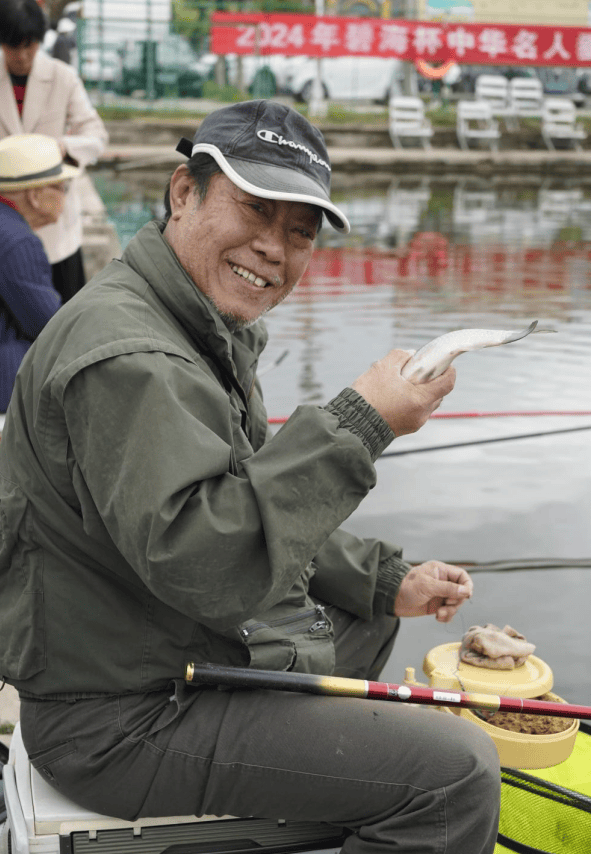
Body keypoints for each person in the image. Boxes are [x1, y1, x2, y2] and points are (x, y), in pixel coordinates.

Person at [0, 101, 500, 853]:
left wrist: (380, 577)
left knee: (367, 613)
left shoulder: (193, 320)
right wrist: (361, 423)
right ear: (182, 193)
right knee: (456, 774)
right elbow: (207, 562)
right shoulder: (133, 359)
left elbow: (237, 490)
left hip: (156, 649)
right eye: (254, 210)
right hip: (116, 715)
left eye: (298, 232)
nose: (273, 248)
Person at [0, 0, 108, 302]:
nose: (21, 56)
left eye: (29, 46)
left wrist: (59, 148)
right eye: (12, 46)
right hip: (4, 220)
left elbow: (95, 136)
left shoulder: (63, 77)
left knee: (62, 317)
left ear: (40, 40)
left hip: (53, 224)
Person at [0, 132, 79, 415]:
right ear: (34, 195)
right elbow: (50, 326)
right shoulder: (19, 243)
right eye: (61, 187)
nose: (64, 197)